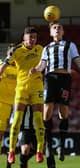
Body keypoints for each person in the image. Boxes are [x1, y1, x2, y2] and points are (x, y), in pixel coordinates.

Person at [29, 22, 80, 164]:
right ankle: (48, 145)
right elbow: (42, 64)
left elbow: (77, 60)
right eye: (54, 28)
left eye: (59, 28)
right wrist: (36, 69)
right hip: (50, 78)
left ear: (63, 32)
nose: (57, 29)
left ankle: (62, 146)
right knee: (47, 112)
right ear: (51, 33)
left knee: (64, 112)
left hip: (64, 79)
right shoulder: (47, 48)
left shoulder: (70, 45)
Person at [0, 26, 45, 164]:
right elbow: (5, 64)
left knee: (38, 119)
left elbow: (45, 63)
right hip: (22, 88)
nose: (32, 40)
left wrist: (39, 69)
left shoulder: (41, 49)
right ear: (24, 38)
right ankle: (11, 151)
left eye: (34, 38)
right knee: (17, 119)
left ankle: (39, 152)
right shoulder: (16, 50)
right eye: (30, 38)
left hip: (37, 87)